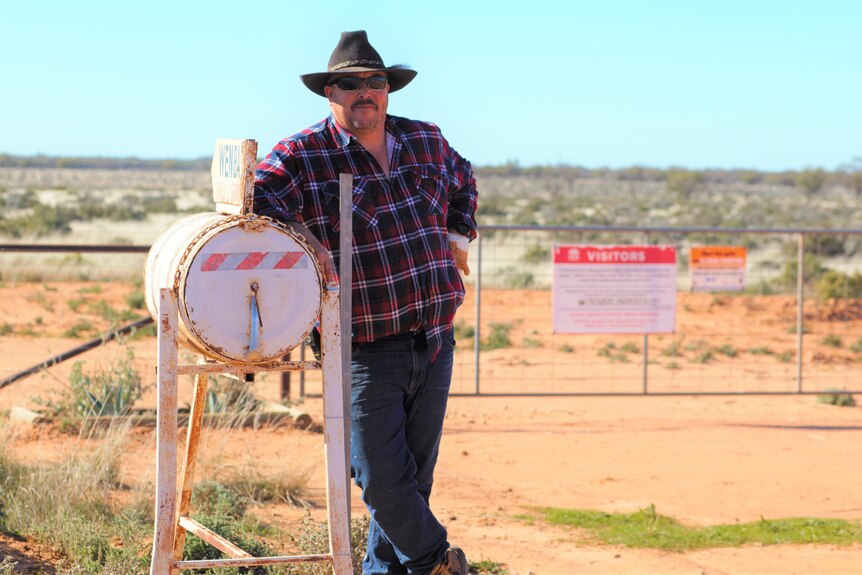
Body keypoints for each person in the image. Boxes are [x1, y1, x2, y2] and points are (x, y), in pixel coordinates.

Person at [253, 30, 478, 575]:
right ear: (329, 93)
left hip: (434, 337)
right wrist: (304, 242)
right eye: (349, 85)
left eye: (374, 82)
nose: (365, 93)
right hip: (362, 349)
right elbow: (254, 204)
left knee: (410, 483)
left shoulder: (425, 140)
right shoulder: (304, 154)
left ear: (387, 89)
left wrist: (458, 235)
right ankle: (437, 560)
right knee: (379, 478)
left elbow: (464, 179)